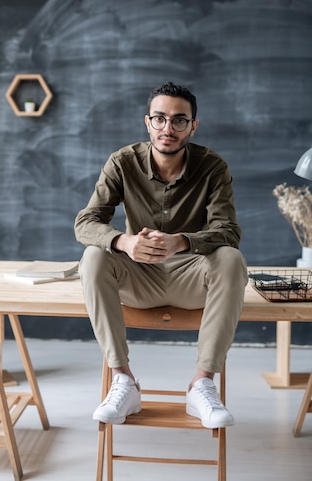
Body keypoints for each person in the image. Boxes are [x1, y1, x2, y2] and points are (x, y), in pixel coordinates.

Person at [74, 81, 248, 429]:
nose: (168, 128)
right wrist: (125, 243)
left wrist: (180, 241)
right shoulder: (122, 162)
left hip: (192, 278)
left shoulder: (213, 166)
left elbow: (229, 231)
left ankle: (203, 383)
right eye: (160, 118)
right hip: (139, 277)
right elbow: (86, 222)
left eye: (179, 120)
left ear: (193, 126)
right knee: (93, 257)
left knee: (231, 259)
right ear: (147, 122)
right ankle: (123, 380)